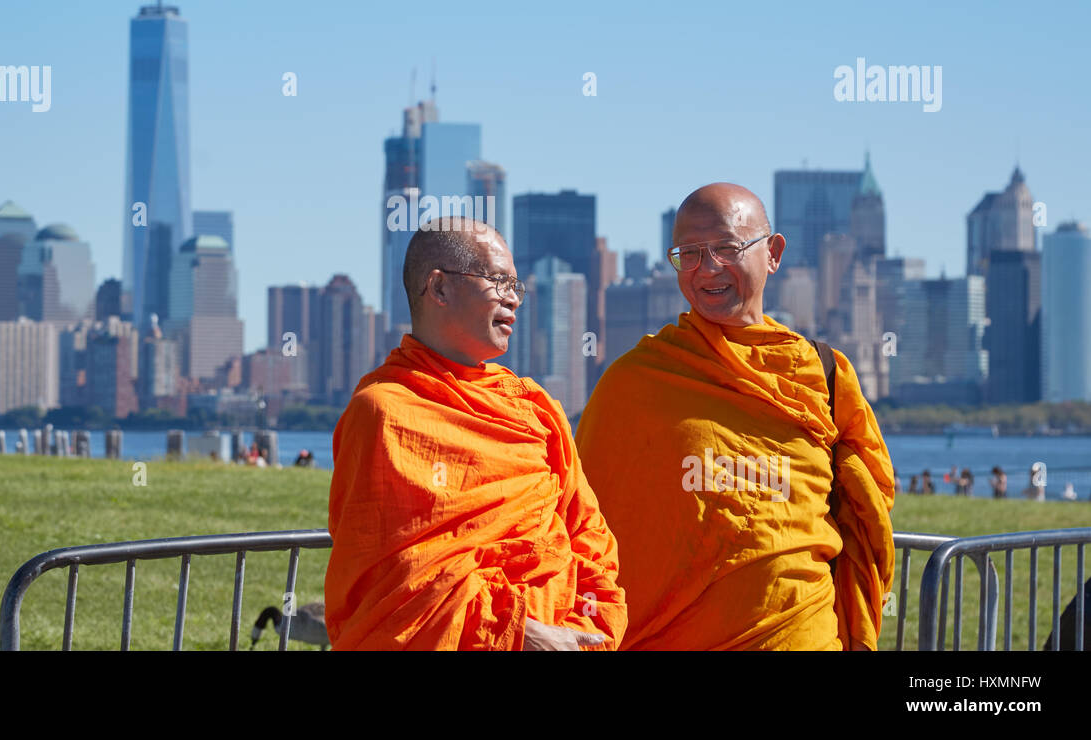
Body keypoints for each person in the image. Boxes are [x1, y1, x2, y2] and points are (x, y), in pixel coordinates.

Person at [577, 183, 894, 650]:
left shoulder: (823, 374)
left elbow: (869, 504)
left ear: (773, 253)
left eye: (727, 248)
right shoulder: (634, 382)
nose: (707, 269)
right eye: (690, 253)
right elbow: (578, 517)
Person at [325, 217, 627, 650]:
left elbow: (590, 539)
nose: (514, 299)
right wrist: (516, 634)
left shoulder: (533, 408)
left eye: (515, 286)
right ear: (440, 287)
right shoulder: (384, 412)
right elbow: (389, 592)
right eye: (498, 281)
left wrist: (585, 633)